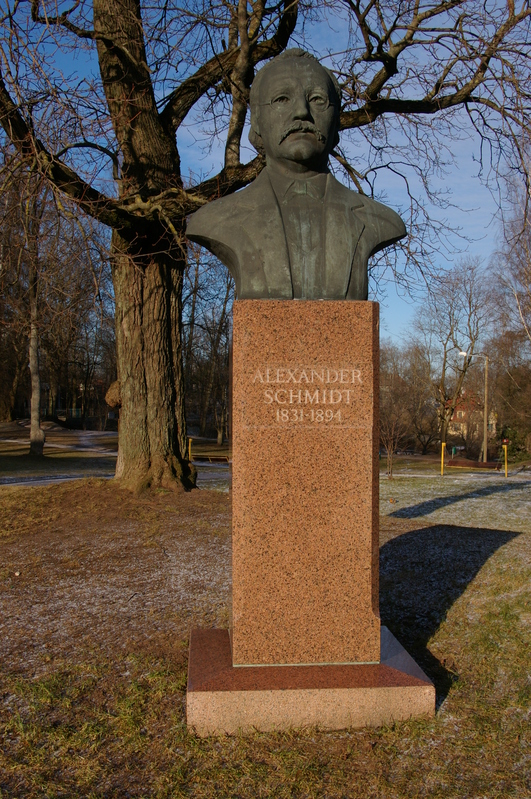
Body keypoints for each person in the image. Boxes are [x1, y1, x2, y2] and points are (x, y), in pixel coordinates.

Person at [186, 49, 406, 300]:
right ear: (256, 121)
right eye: (281, 99)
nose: (302, 111)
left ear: (335, 121)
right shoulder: (216, 220)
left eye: (317, 99)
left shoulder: (379, 220)